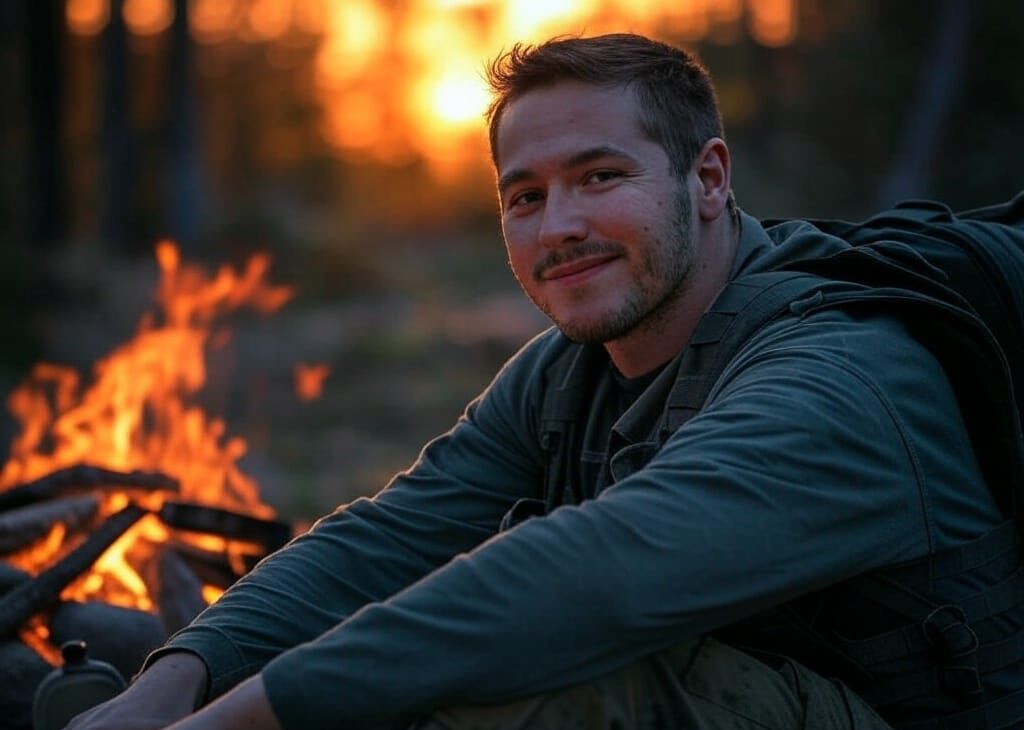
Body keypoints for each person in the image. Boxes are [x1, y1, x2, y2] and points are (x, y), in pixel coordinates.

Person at [66, 33, 1023, 730]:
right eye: (525, 196)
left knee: (518, 685)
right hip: (770, 678)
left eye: (600, 177)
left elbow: (595, 572)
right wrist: (178, 674)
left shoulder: (842, 373)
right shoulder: (577, 367)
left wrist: (237, 720)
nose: (556, 225)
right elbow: (392, 534)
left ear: (710, 178)